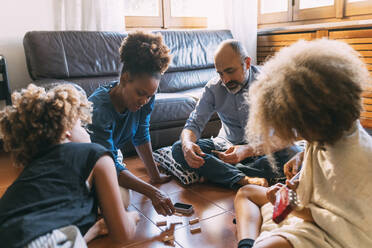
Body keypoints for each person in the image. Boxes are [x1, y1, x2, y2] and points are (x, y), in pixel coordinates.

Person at [234, 39, 372, 248]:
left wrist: (293, 207)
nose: (298, 134)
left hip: (333, 233)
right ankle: (246, 244)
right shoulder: (332, 127)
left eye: (299, 127)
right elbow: (320, 165)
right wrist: (300, 169)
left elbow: (344, 224)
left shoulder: (359, 160)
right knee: (246, 193)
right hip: (308, 209)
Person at [0, 84, 140, 248]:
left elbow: (43, 231)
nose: (87, 132)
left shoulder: (30, 171)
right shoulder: (95, 154)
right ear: (65, 130)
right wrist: (131, 217)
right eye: (81, 125)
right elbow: (122, 233)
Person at [172, 39, 300, 189]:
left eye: (230, 71)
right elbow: (193, 124)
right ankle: (242, 178)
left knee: (294, 153)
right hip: (225, 146)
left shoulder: (271, 84)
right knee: (179, 148)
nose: (225, 80)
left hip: (263, 148)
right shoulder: (213, 88)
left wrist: (247, 150)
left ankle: (218, 173)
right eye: (220, 73)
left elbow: (288, 135)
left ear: (246, 63)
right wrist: (188, 144)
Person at [88, 31, 175, 216]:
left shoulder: (146, 98)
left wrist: (155, 176)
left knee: (119, 201)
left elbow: (141, 135)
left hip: (109, 156)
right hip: (88, 161)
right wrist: (153, 192)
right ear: (125, 78)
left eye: (150, 95)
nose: (145, 100)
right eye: (140, 93)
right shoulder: (98, 109)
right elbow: (106, 163)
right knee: (116, 203)